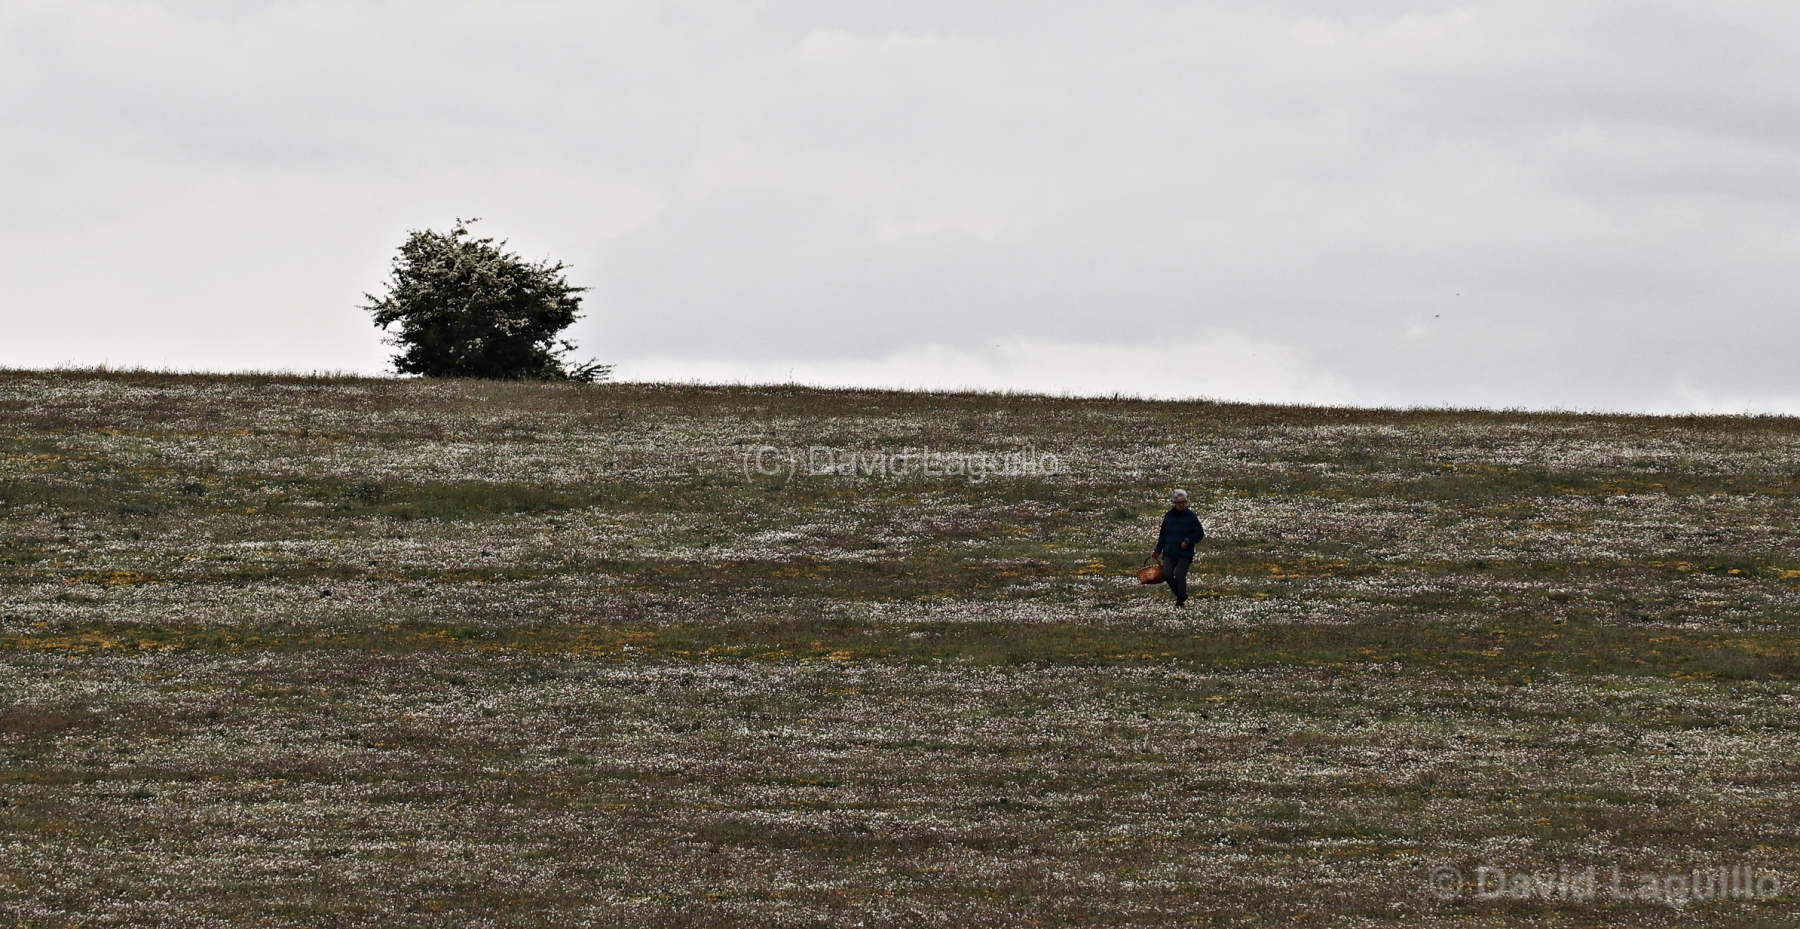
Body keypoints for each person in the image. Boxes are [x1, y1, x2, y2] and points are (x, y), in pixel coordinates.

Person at [1153, 489, 1204, 607]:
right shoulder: (1169, 516)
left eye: (1183, 502)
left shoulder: (1191, 516)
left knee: (1180, 575)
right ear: (1174, 503)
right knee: (1167, 574)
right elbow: (1163, 534)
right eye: (1179, 502)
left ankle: (1180, 601)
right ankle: (1181, 595)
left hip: (1185, 553)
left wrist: (1188, 540)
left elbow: (1199, 533)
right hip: (1169, 551)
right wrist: (1158, 549)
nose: (1181, 505)